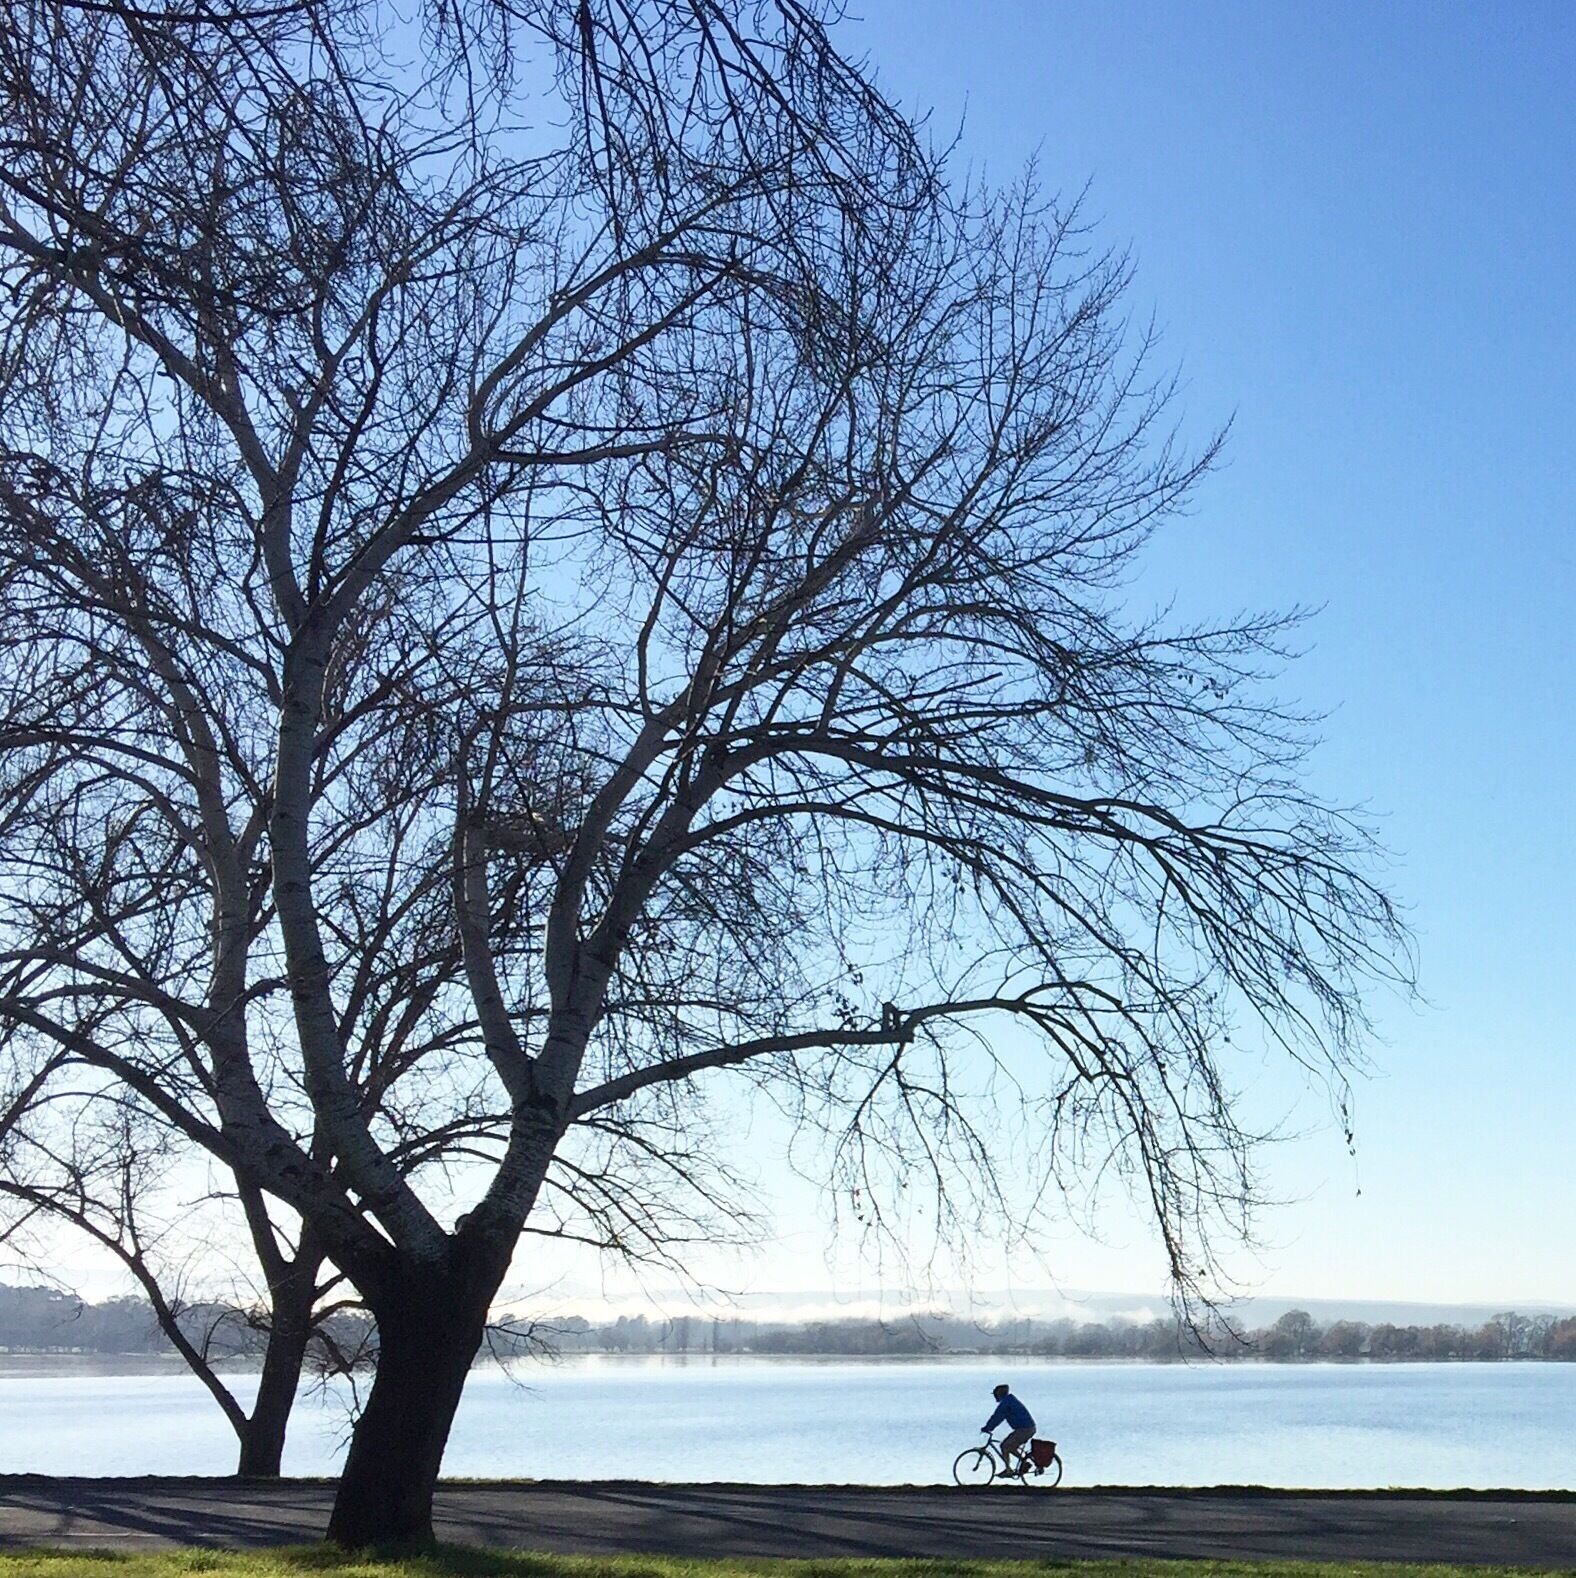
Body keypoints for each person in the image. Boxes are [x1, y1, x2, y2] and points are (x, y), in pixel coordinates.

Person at [981, 1382, 1036, 1477]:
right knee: (1010, 1446)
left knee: (1004, 1446)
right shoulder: (1009, 1400)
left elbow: (997, 1417)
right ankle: (1024, 1463)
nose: (995, 1396)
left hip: (1025, 1429)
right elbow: (998, 1418)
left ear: (999, 1394)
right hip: (1025, 1428)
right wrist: (990, 1427)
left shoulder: (1006, 1403)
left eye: (995, 1394)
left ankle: (1008, 1470)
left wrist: (987, 1428)